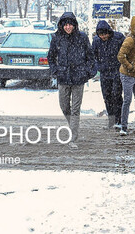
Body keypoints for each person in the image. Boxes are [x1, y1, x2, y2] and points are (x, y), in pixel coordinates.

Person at [48, 12, 96, 149]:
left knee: (76, 109)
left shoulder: (82, 38)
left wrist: (87, 72)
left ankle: (73, 137)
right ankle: (72, 125)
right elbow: (51, 57)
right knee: (64, 106)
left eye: (70, 25)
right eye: (66, 25)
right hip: (63, 77)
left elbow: (90, 56)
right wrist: (55, 70)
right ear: (62, 26)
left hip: (78, 77)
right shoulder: (57, 38)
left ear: (75, 25)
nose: (68, 27)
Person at [92, 20, 125, 129]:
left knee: (117, 95)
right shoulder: (96, 41)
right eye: (101, 35)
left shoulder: (118, 38)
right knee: (107, 97)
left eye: (105, 34)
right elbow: (93, 56)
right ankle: (111, 120)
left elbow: (125, 53)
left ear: (109, 32)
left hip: (117, 72)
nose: (103, 37)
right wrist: (99, 66)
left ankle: (119, 120)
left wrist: (122, 66)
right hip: (104, 73)